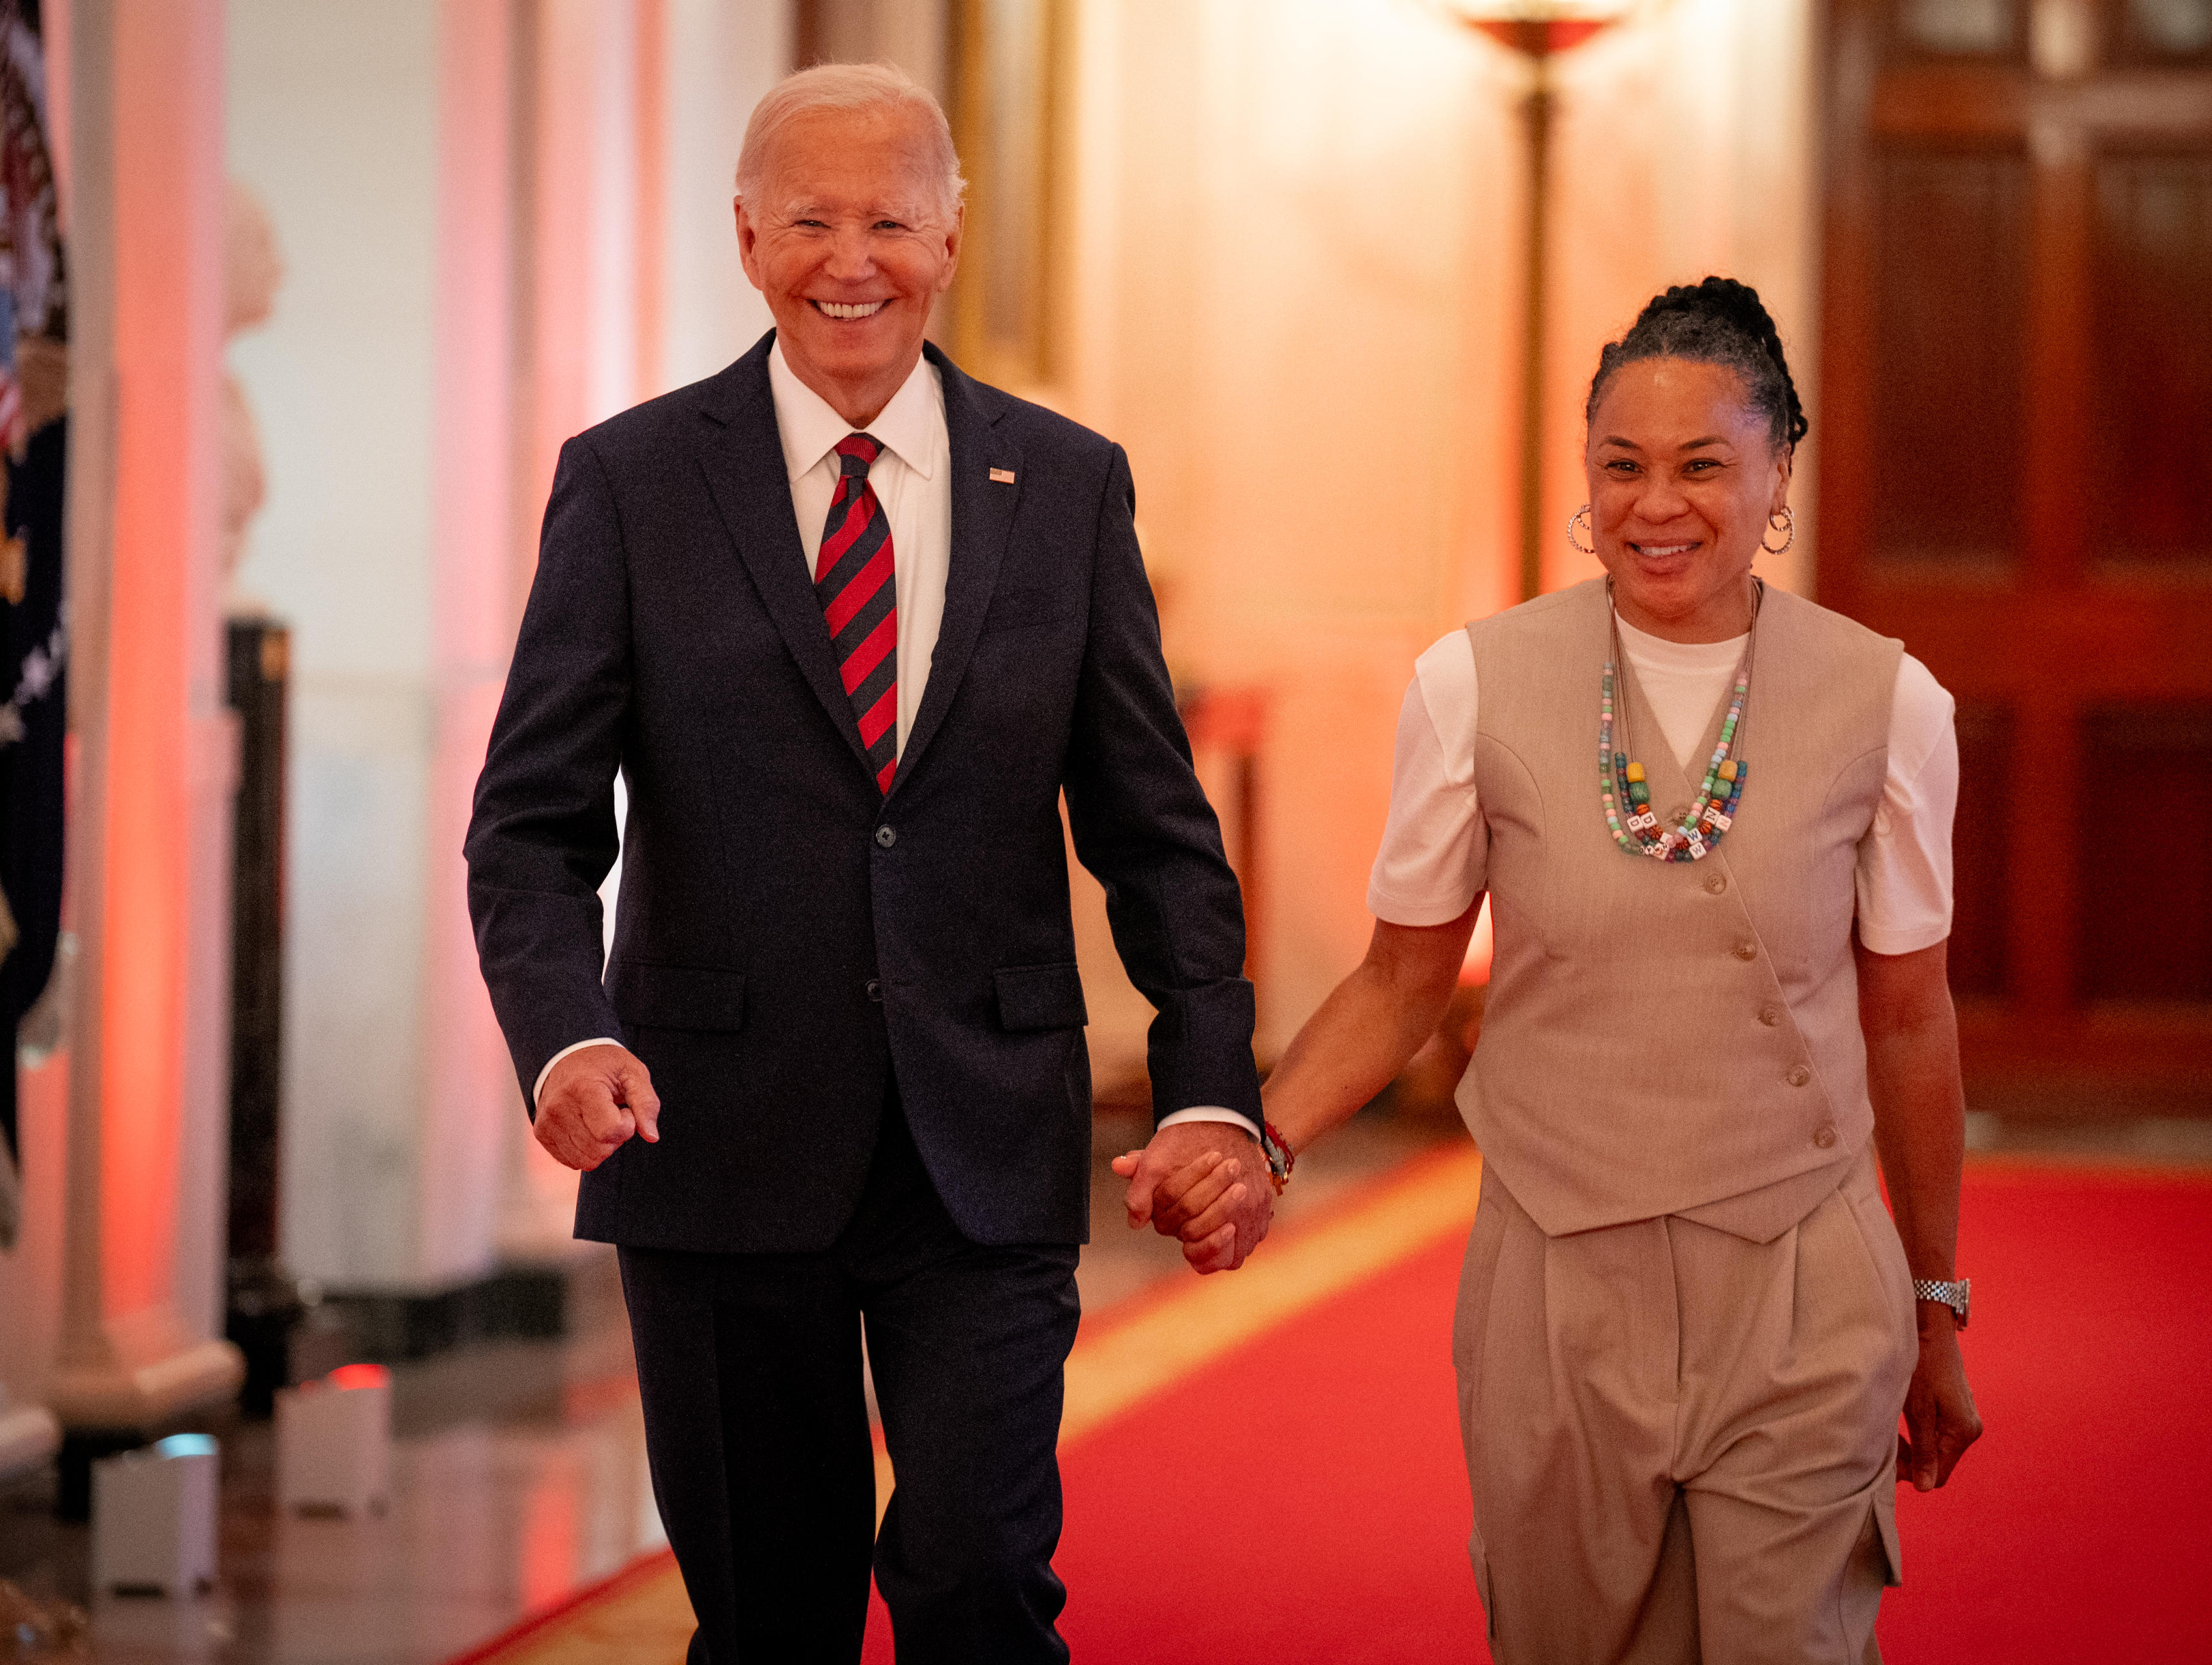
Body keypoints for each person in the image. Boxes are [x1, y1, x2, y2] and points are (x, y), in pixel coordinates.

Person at [466, 62, 1275, 1664]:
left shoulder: (1065, 485)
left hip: (983, 1138)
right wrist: (564, 1032)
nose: (854, 258)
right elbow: (533, 821)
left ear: (954, 236)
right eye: (813, 221)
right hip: (709, 1137)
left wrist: (1208, 1085)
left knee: (980, 1574)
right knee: (773, 1615)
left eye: (892, 219)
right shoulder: (629, 482)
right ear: (748, 239)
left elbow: (1154, 827)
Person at [1139, 278, 1981, 1661]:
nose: (1657, 503)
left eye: (1704, 464)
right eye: (1622, 465)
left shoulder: (1892, 701)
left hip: (1804, 1280)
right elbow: (1403, 980)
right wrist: (1260, 1140)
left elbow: (1908, 1016)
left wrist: (1937, 1302)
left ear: (1779, 471)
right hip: (1555, 1279)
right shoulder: (1473, 685)